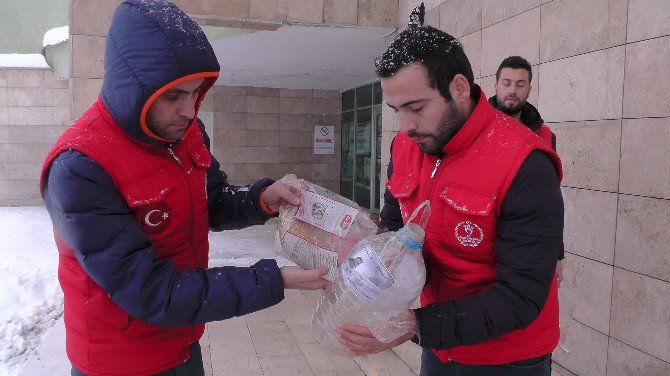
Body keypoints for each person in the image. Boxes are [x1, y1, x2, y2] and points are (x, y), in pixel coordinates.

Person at [39, 1, 328, 375]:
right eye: (174, 96)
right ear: (132, 87)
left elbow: (210, 202)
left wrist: (261, 199)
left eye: (195, 93)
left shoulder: (186, 134)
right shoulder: (79, 167)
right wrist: (272, 279)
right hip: (119, 361)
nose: (190, 111)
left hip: (182, 340)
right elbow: (148, 290)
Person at [338, 25, 564, 375]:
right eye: (397, 109)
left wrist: (415, 325)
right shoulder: (405, 145)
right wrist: (364, 257)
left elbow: (521, 296)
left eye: (415, 107)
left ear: (458, 88)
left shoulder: (525, 163)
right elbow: (395, 222)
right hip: (440, 345)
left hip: (509, 357)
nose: (406, 125)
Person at [489, 55, 564, 284]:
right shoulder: (474, 128)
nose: (513, 90)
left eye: (520, 84)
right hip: (480, 240)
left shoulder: (544, 137)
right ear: (496, 86)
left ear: (529, 89)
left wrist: (557, 252)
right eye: (507, 83)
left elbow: (550, 200)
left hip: (524, 244)